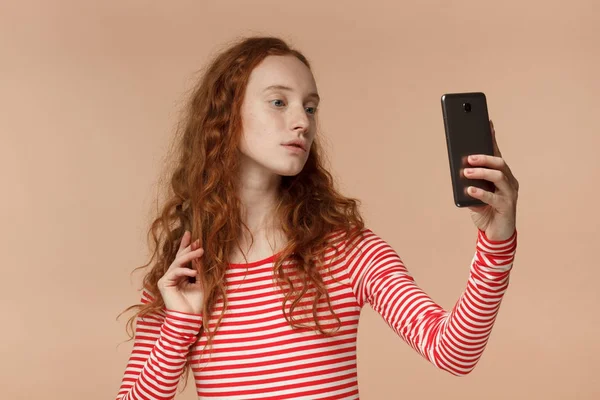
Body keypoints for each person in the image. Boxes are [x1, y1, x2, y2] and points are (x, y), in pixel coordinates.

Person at [115, 36, 519, 400]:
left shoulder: (347, 250)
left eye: (311, 107)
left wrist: (496, 243)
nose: (302, 121)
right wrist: (180, 324)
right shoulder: (186, 270)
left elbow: (453, 352)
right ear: (224, 115)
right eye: (279, 102)